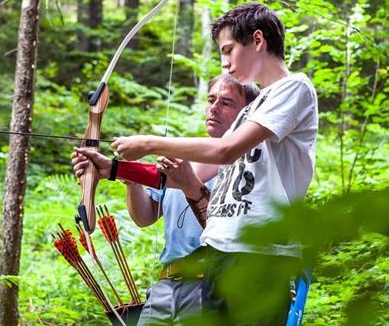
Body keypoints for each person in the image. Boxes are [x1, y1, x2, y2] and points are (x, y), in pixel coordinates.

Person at [105, 2, 319, 324]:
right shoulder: (253, 109)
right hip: (220, 253)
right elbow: (182, 176)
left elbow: (225, 151)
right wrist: (111, 168)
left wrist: (148, 143)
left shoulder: (294, 88)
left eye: (228, 50)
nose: (225, 63)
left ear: (257, 40)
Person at [72, 74, 258, 324]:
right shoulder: (181, 162)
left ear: (247, 112)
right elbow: (145, 216)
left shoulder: (247, 165)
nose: (214, 108)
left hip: (211, 286)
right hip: (165, 285)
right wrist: (128, 176)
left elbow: (227, 229)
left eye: (226, 103)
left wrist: (124, 164)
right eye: (211, 99)